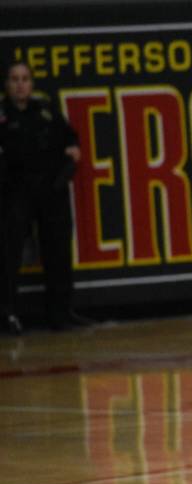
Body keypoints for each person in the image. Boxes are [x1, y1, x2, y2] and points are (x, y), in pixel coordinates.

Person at [0, 61, 82, 333]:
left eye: (25, 79)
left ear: (32, 84)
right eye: (14, 79)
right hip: (15, 191)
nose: (20, 84)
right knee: (9, 254)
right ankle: (7, 314)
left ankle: (61, 313)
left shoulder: (45, 111)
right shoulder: (3, 115)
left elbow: (71, 140)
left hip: (49, 190)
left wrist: (72, 152)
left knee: (58, 250)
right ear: (7, 84)